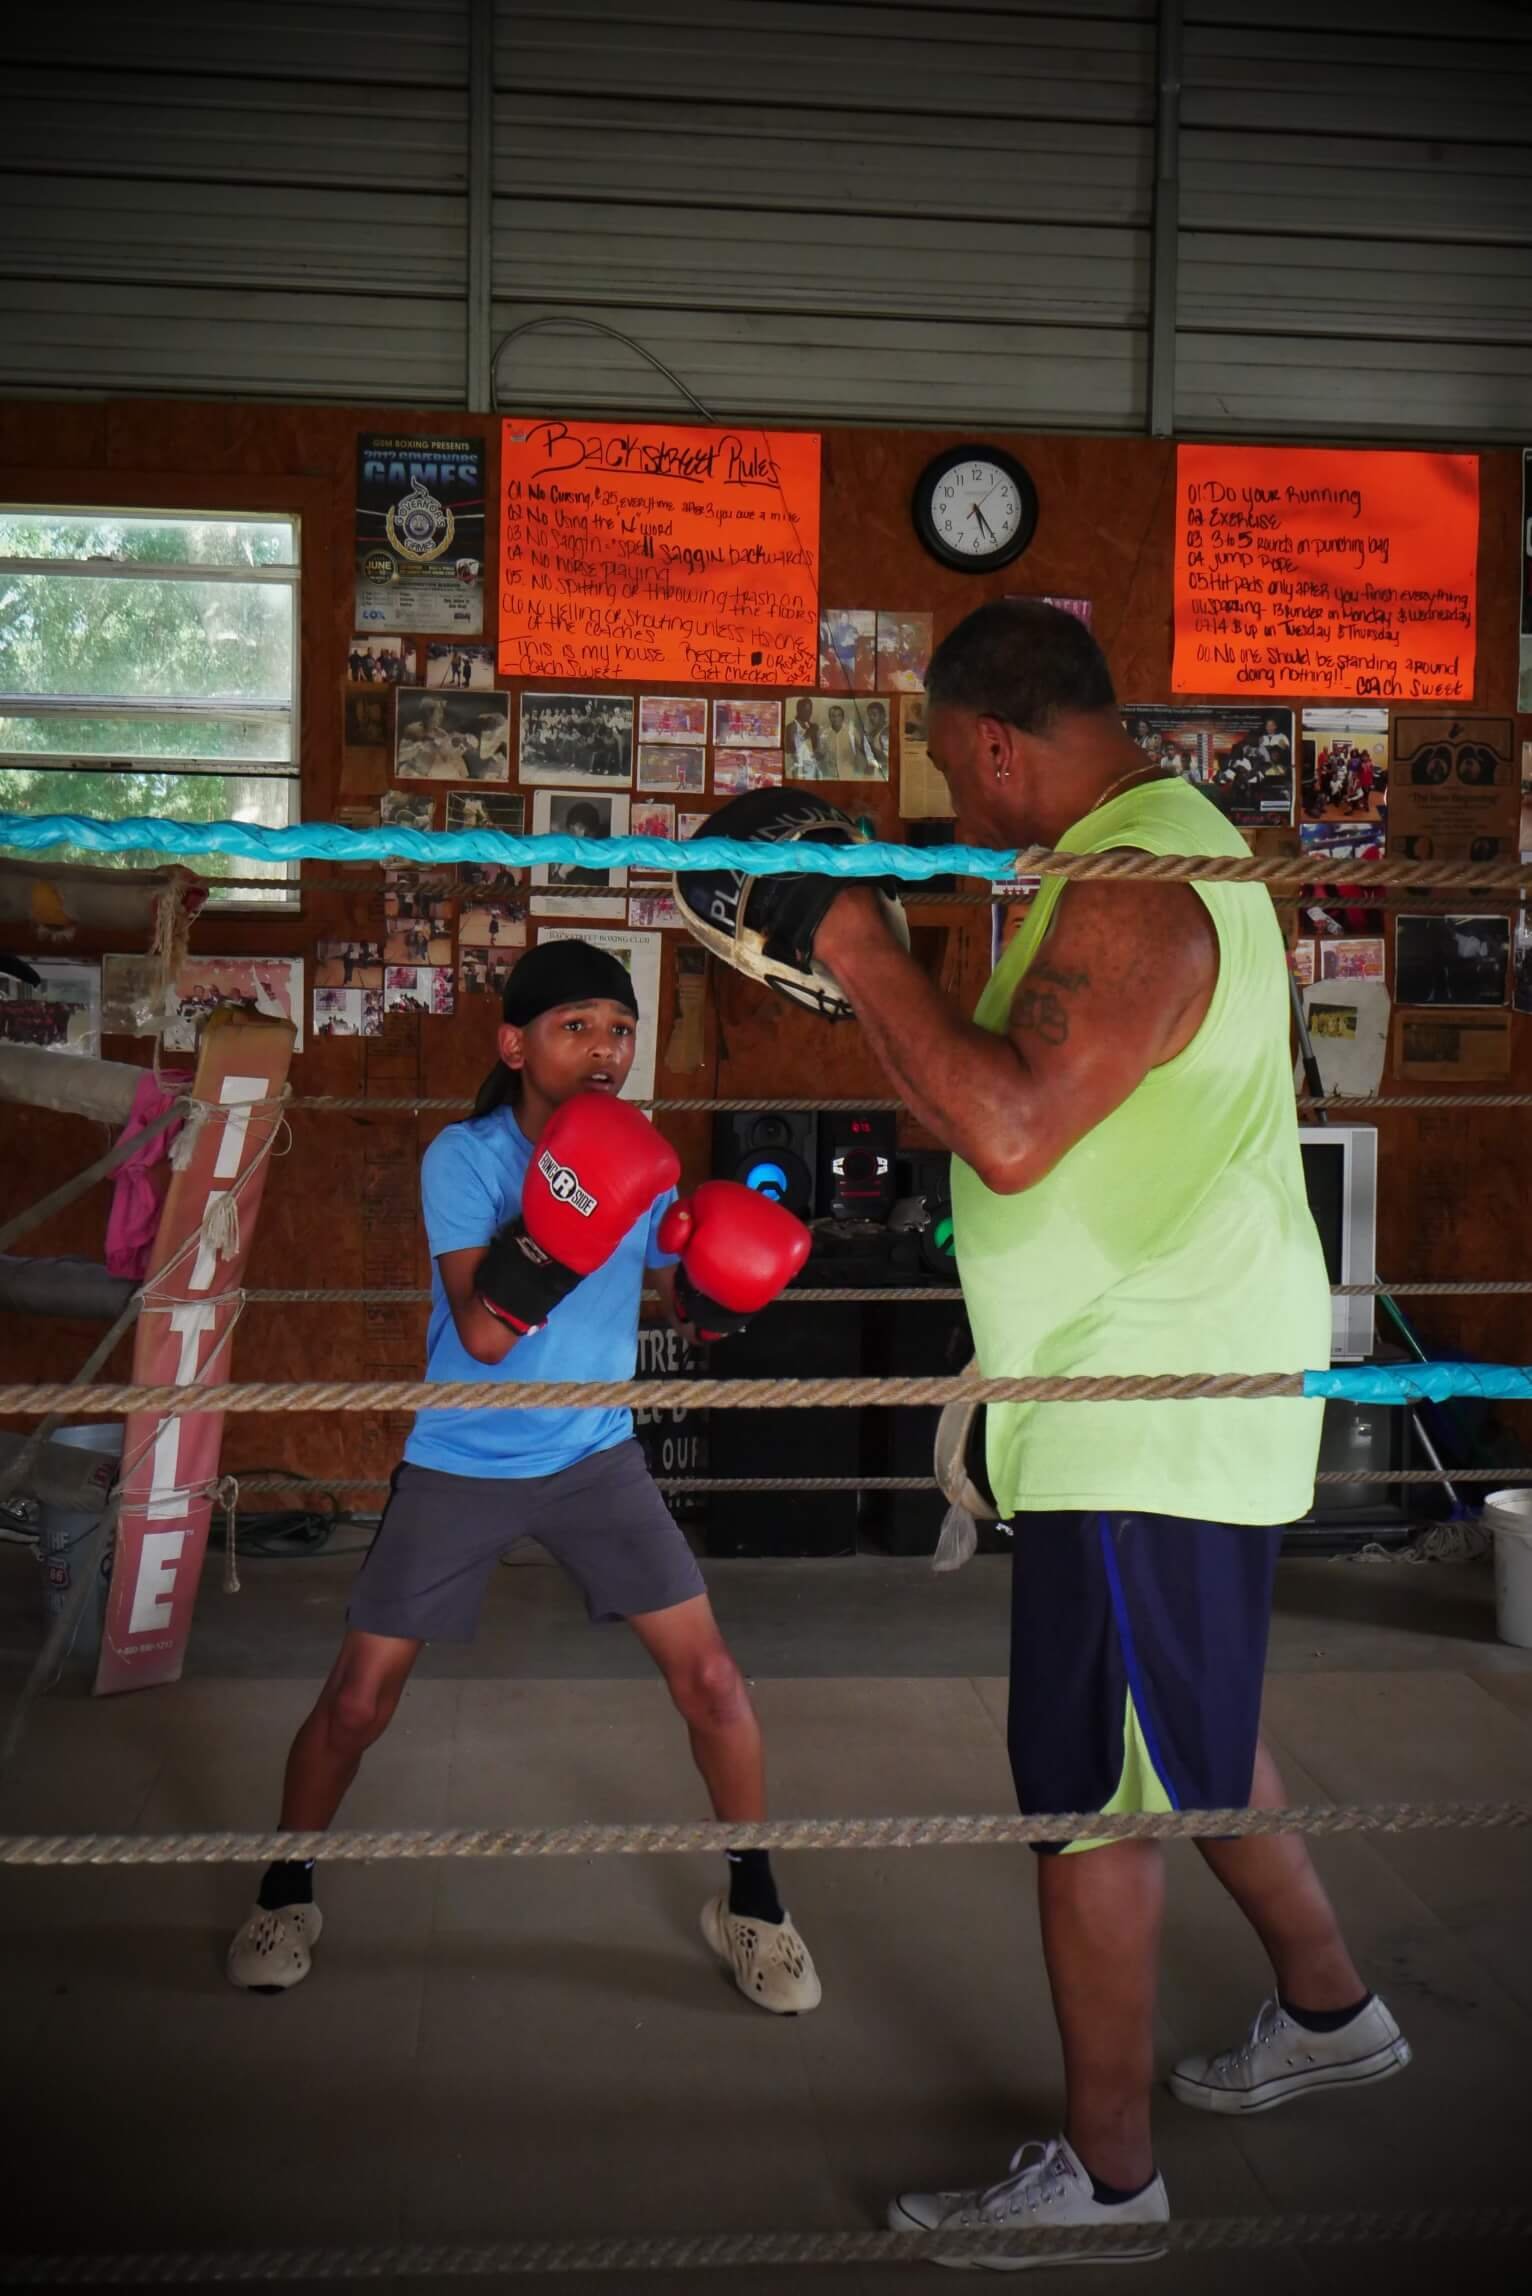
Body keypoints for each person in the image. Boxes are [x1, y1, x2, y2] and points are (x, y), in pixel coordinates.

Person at [803, 601, 1407, 2265]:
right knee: (1184, 1734)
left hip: (1145, 1402)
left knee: (1091, 1789)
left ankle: (1111, 2179)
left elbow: (999, 1132)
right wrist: (876, 957)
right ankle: (1330, 2006)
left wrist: (855, 946)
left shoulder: (1138, 884)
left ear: (996, 741)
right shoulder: (1113, 863)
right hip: (1138, 1395)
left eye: (944, 757)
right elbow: (991, 1079)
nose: (948, 789)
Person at [226, 939, 821, 2015]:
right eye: (577, 1026)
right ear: (516, 1042)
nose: (606, 1048)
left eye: (620, 1029)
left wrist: (722, 1286)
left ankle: (755, 1903)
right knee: (359, 1702)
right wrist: (572, 1218)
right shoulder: (463, 1158)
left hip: (594, 1456)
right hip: (461, 1457)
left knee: (716, 1682)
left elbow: (680, 1308)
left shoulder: (637, 1155)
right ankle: (284, 1886)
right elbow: (483, 1333)